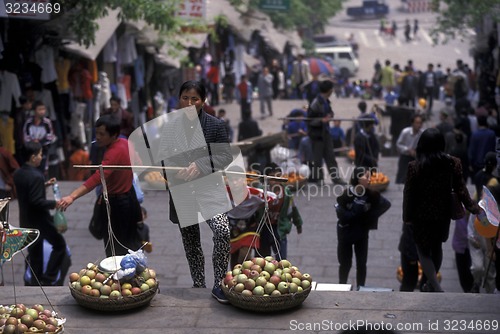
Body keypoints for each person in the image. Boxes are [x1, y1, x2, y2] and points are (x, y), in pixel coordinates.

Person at [157, 80, 233, 303]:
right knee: (191, 241)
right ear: (179, 99)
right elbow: (164, 160)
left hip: (209, 190)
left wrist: (201, 165)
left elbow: (224, 156)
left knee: (222, 231)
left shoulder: (215, 125)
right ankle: (198, 282)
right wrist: (173, 172)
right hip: (182, 192)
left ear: (203, 101)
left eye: (194, 99)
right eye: (185, 98)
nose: (189, 103)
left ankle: (220, 283)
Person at [403, 128, 480, 292]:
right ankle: (431, 284)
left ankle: (436, 287)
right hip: (442, 215)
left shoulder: (415, 166)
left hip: (421, 216)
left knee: (422, 251)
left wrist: (407, 216)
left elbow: (409, 194)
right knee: (436, 247)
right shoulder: (453, 163)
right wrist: (472, 207)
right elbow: (461, 189)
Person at [57, 115, 143, 257]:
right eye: (96, 133)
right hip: (128, 197)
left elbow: (96, 178)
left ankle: (120, 276)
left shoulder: (113, 153)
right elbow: (138, 163)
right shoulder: (125, 142)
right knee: (128, 243)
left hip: (118, 204)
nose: (98, 137)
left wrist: (72, 196)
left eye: (102, 134)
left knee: (115, 248)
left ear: (113, 135)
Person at [13, 142, 67, 286]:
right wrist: (54, 203)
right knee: (59, 245)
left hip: (26, 220)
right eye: (40, 155)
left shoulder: (19, 174)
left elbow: (28, 192)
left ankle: (34, 282)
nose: (41, 158)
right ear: (33, 157)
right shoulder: (36, 176)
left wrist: (45, 185)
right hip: (40, 221)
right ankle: (48, 278)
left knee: (35, 253)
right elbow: (36, 201)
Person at [335, 166, 391, 288]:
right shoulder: (346, 194)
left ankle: (361, 287)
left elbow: (386, 204)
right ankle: (341, 287)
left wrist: (370, 216)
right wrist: (357, 210)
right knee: (345, 264)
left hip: (361, 234)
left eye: (369, 176)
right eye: (366, 176)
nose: (369, 179)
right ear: (358, 179)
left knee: (361, 263)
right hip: (346, 234)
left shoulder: (371, 195)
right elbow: (341, 214)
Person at [258, 163, 303, 261]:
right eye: (272, 177)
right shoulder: (261, 192)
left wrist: (298, 223)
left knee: (282, 259)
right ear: (266, 179)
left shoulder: (286, 193)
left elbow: (293, 209)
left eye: (278, 176)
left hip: (279, 228)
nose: (276, 180)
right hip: (264, 229)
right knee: (263, 260)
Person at [307, 79, 346, 185]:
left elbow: (328, 112)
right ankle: (319, 179)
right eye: (332, 89)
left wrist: (330, 115)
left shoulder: (326, 101)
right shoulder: (316, 103)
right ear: (329, 90)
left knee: (330, 156)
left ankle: (336, 178)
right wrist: (321, 121)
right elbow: (309, 120)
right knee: (317, 158)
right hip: (317, 134)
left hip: (326, 133)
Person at [23, 100, 56, 174]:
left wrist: (40, 143)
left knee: (42, 171)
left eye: (43, 109)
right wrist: (33, 144)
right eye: (40, 109)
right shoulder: (28, 123)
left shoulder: (47, 123)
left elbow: (50, 136)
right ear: (34, 110)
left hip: (43, 150)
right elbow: (26, 137)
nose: (42, 112)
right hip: (31, 151)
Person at [395, 115, 423, 184]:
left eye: (420, 123)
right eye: (417, 123)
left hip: (416, 157)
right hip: (405, 157)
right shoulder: (405, 132)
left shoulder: (422, 133)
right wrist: (407, 149)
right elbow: (398, 144)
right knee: (402, 176)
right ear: (412, 123)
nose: (419, 125)